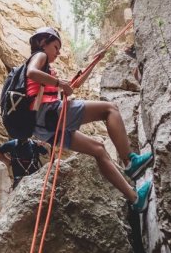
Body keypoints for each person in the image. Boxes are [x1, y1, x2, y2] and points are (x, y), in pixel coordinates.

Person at [25, 27, 154, 212]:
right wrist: (59, 83)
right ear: (43, 42)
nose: (58, 52)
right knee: (110, 109)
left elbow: (73, 85)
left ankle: (135, 199)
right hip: (49, 114)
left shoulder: (47, 71)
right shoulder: (40, 56)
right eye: (56, 46)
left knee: (99, 150)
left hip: (44, 129)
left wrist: (96, 61)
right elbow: (31, 72)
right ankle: (130, 162)